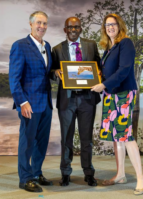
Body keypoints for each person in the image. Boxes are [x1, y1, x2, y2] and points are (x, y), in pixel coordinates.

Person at [91, 13, 143, 195]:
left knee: (126, 135)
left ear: (120, 25)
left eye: (113, 24)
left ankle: (140, 179)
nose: (110, 27)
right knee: (117, 136)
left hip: (123, 94)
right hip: (110, 94)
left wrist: (103, 84)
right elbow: (103, 70)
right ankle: (121, 174)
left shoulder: (126, 43)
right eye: (107, 25)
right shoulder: (109, 48)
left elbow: (124, 70)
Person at [51, 17, 101, 187]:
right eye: (70, 27)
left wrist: (99, 75)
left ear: (81, 29)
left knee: (87, 139)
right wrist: (56, 72)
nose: (73, 29)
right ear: (65, 29)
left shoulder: (91, 45)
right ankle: (65, 173)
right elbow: (50, 72)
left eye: (77, 27)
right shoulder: (57, 49)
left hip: (88, 98)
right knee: (66, 138)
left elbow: (98, 66)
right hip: (67, 99)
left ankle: (88, 172)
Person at [9, 11, 53, 192]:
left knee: (42, 142)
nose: (42, 26)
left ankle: (36, 173)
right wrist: (22, 102)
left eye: (45, 24)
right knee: (26, 142)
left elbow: (45, 72)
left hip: (46, 103)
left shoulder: (47, 46)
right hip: (29, 104)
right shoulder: (20, 45)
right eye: (39, 23)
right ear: (31, 24)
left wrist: (57, 73)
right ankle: (25, 178)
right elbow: (14, 78)